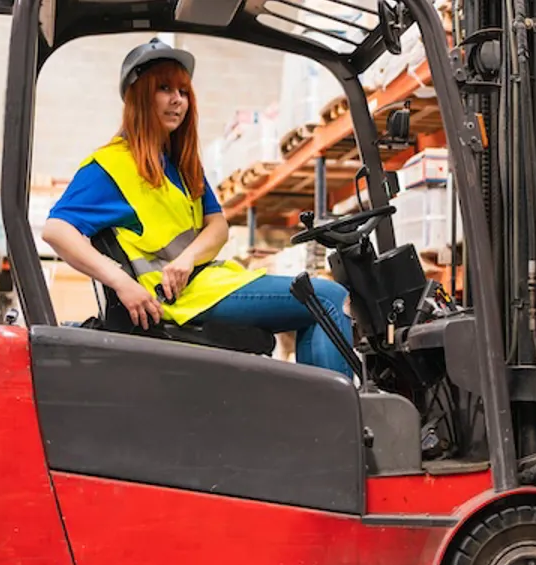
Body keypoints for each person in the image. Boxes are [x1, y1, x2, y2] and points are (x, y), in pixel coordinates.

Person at [41, 37, 354, 380]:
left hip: (207, 282)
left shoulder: (181, 164)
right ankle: (336, 427)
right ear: (139, 96)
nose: (178, 100)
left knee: (316, 309)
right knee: (328, 298)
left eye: (184, 91)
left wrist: (187, 258)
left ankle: (319, 421)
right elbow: (57, 230)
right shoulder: (111, 166)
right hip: (180, 301)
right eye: (164, 88)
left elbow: (217, 225)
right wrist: (121, 282)